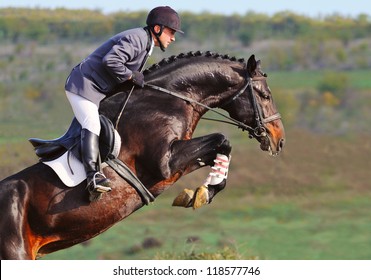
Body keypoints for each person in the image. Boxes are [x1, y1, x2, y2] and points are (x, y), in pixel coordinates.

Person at [64, 6, 183, 199]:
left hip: (97, 89)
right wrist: (130, 76)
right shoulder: (137, 39)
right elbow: (111, 61)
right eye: (171, 32)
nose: (173, 38)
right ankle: (93, 176)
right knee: (92, 124)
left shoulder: (146, 42)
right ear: (157, 29)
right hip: (82, 86)